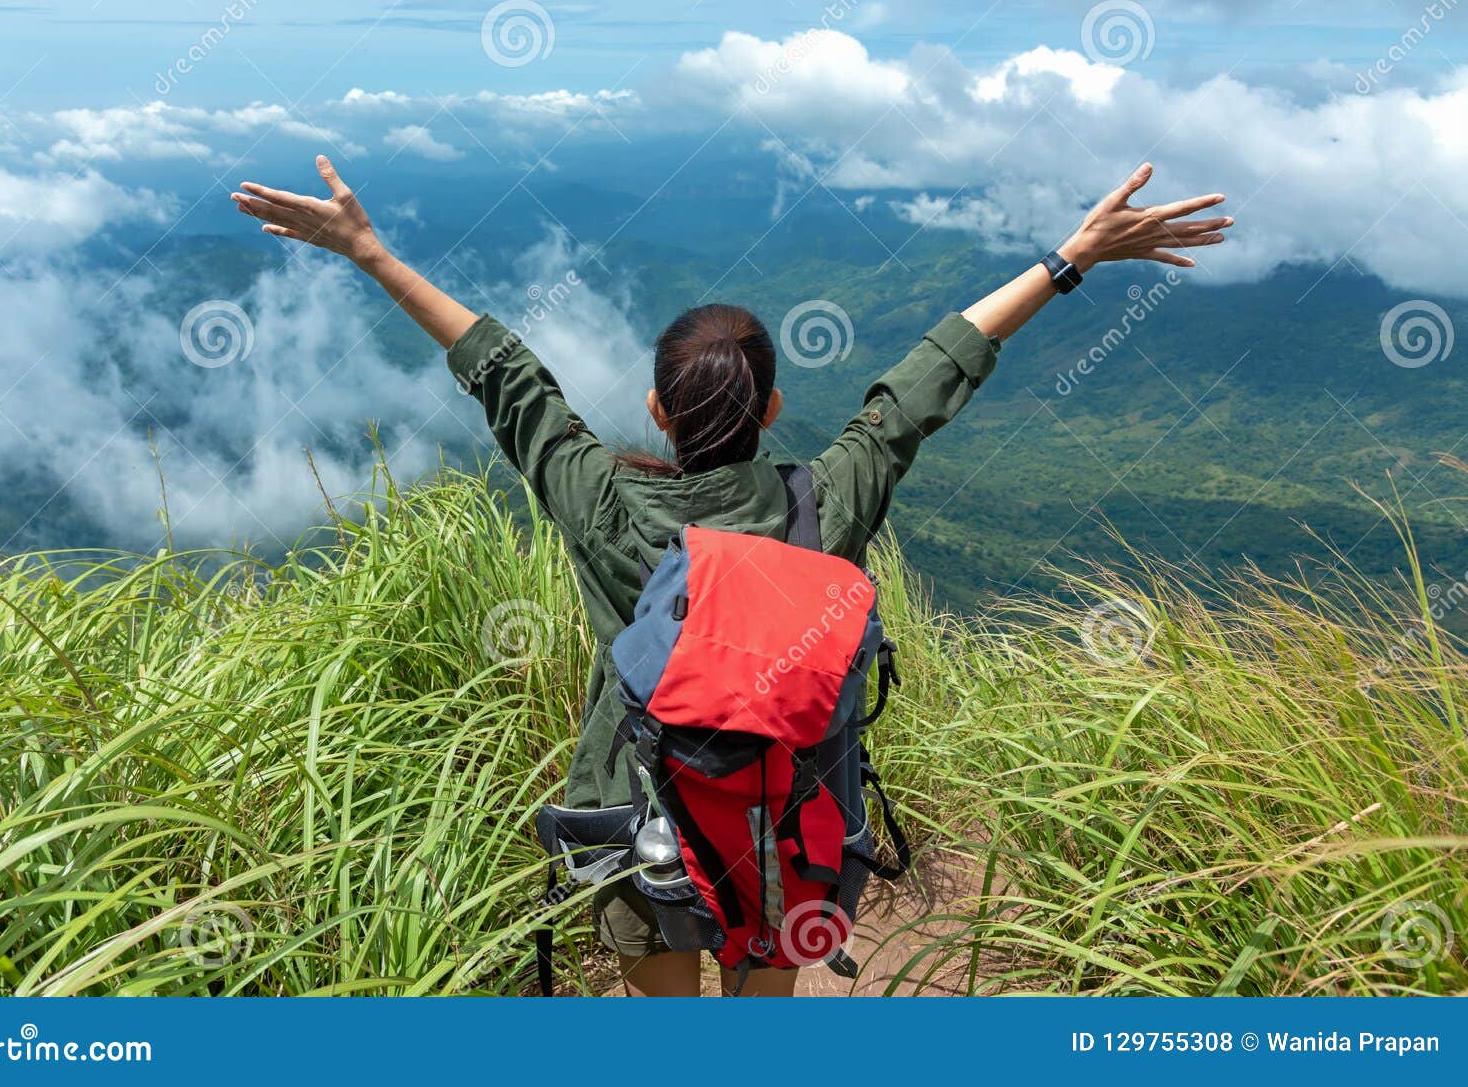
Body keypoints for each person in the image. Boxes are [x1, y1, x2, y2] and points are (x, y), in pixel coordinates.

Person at [232, 156, 1230, 996]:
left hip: (637, 822)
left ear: (658, 415)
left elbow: (508, 375)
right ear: (774, 405)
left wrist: (369, 254)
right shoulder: (824, 503)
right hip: (788, 822)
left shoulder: (599, 500)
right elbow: (921, 387)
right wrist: (1068, 261)